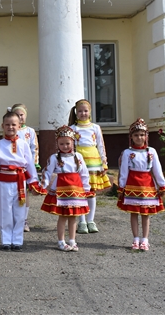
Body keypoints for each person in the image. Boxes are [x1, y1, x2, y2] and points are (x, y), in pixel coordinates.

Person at [0, 112, 44, 251]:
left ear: (19, 126)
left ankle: (17, 240)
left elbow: (29, 164)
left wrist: (33, 182)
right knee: (5, 210)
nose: (10, 127)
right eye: (7, 124)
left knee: (19, 211)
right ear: (2, 126)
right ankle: (6, 240)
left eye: (14, 124)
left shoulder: (24, 144)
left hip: (19, 180)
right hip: (5, 181)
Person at [117, 118, 165, 251]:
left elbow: (157, 169)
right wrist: (121, 186)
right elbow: (123, 171)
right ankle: (135, 239)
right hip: (132, 185)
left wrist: (161, 185)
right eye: (136, 135)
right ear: (131, 137)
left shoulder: (151, 151)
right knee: (133, 213)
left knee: (145, 214)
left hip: (147, 186)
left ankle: (145, 239)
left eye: (142, 135)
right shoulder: (127, 152)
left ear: (146, 136)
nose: (139, 137)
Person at [40, 125, 92, 252]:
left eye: (67, 143)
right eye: (61, 144)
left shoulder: (78, 157)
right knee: (62, 216)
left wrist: (86, 189)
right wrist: (43, 185)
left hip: (76, 189)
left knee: (73, 216)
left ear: (73, 142)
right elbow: (47, 172)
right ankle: (61, 241)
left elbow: (84, 173)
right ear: (57, 144)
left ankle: (72, 240)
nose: (65, 146)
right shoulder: (54, 158)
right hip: (61, 189)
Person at [68, 99, 111, 234]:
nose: (83, 113)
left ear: (90, 112)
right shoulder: (72, 129)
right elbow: (70, 147)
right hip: (79, 161)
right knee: (81, 192)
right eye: (80, 111)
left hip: (93, 161)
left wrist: (104, 162)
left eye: (85, 111)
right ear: (76, 112)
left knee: (91, 192)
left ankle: (91, 220)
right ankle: (82, 221)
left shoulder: (95, 128)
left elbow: (101, 145)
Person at [10, 103, 40, 233]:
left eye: (21, 115)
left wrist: (34, 163)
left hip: (26, 167)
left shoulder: (30, 131)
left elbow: (34, 148)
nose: (19, 117)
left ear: (25, 116)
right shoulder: (10, 131)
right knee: (12, 193)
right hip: (13, 168)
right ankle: (12, 219)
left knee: (25, 193)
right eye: (16, 115)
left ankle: (24, 219)